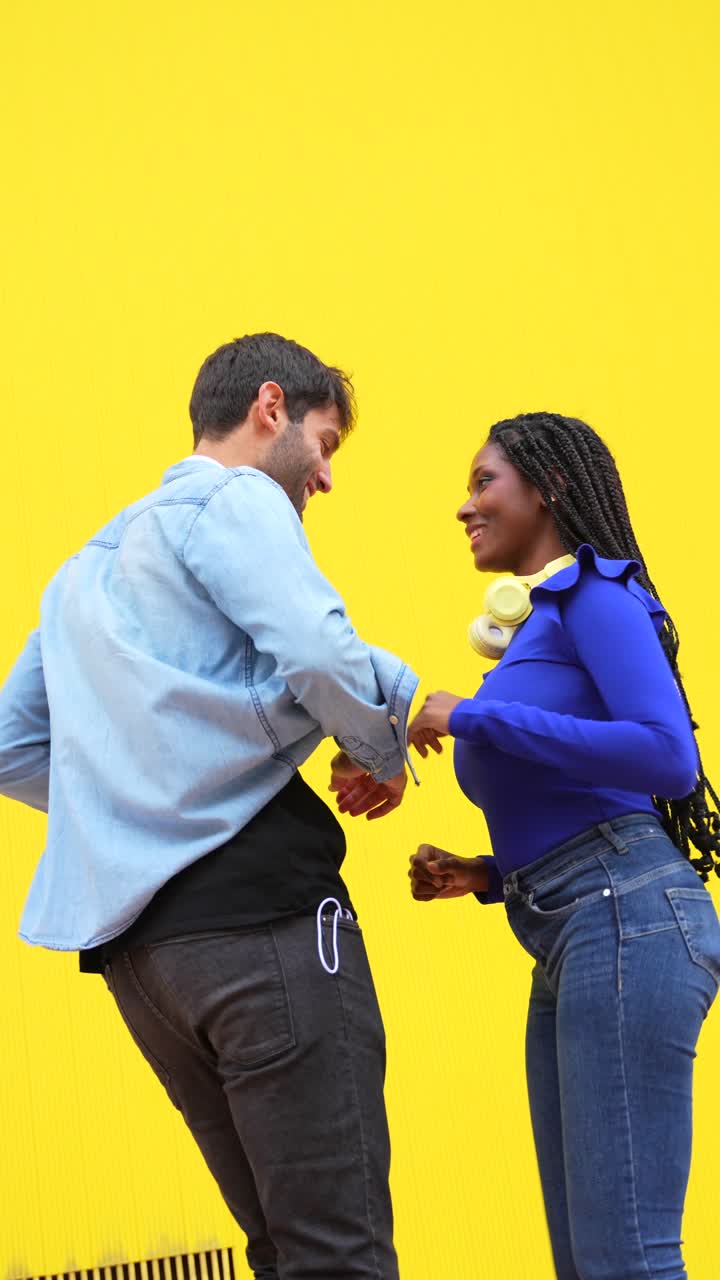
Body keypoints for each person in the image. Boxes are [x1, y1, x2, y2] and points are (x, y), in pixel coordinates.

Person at [0, 333, 418, 1280]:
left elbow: (12, 747)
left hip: (145, 964)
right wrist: (378, 745)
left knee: (279, 1250)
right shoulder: (237, 498)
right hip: (264, 923)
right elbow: (317, 654)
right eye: (325, 442)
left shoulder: (82, 568)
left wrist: (147, 789)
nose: (324, 478)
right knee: (338, 1254)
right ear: (270, 407)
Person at [339, 412, 720, 1279]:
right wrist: (483, 875)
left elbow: (668, 757)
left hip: (626, 921)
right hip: (572, 928)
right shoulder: (543, 626)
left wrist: (469, 715)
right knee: (586, 1261)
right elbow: (586, 799)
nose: (463, 506)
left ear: (545, 486)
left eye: (483, 483)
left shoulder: (594, 593)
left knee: (625, 1258)